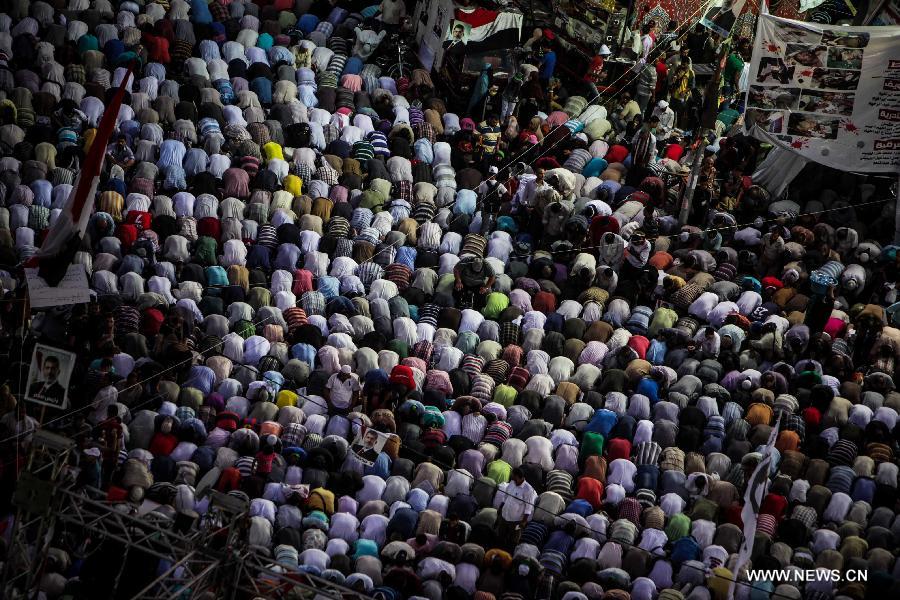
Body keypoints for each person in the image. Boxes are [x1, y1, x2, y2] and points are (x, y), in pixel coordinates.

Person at [496, 467, 537, 548]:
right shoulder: (512, 483)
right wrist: (500, 508)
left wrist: (524, 521)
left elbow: (529, 508)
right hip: (504, 516)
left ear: (519, 477)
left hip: (516, 521)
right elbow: (505, 496)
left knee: (513, 541)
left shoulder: (528, 490)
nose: (512, 478)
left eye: (514, 477)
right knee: (500, 536)